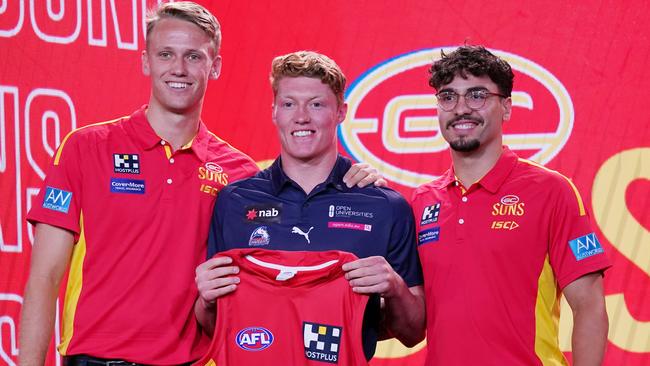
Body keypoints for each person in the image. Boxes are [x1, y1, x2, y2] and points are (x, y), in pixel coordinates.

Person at [19, 3, 378, 365]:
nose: (179, 68)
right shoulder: (86, 148)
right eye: (166, 54)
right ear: (146, 62)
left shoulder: (239, 174)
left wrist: (353, 181)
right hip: (96, 360)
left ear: (215, 66)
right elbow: (44, 278)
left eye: (193, 56)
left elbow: (297, 243)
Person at [194, 51, 426, 362]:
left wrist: (394, 287)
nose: (301, 116)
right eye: (289, 104)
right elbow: (217, 326)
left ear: (341, 112)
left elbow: (413, 333)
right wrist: (206, 302)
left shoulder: (385, 207)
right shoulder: (235, 201)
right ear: (275, 111)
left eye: (316, 104)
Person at [411, 45, 611, 365]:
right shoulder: (421, 202)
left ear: (506, 107)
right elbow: (411, 317)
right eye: (448, 96)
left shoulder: (551, 191)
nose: (461, 108)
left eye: (477, 95)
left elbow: (589, 307)